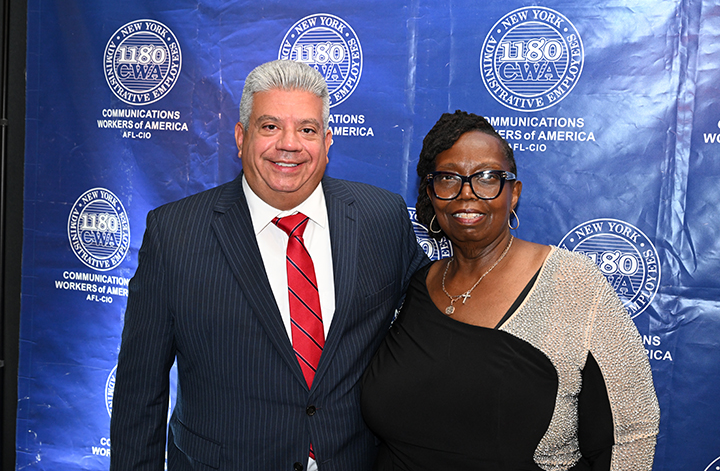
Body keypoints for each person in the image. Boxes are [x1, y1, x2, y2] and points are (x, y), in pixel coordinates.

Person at [110, 59, 428, 471]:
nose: (289, 144)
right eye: (270, 126)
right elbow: (139, 393)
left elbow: (437, 316)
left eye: (307, 129)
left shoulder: (381, 217)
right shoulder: (174, 234)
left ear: (328, 142)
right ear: (241, 137)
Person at [361, 110, 660, 470]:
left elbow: (631, 432)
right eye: (448, 178)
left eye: (487, 177)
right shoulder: (416, 285)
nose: (466, 193)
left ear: (513, 193)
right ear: (431, 193)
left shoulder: (573, 283)